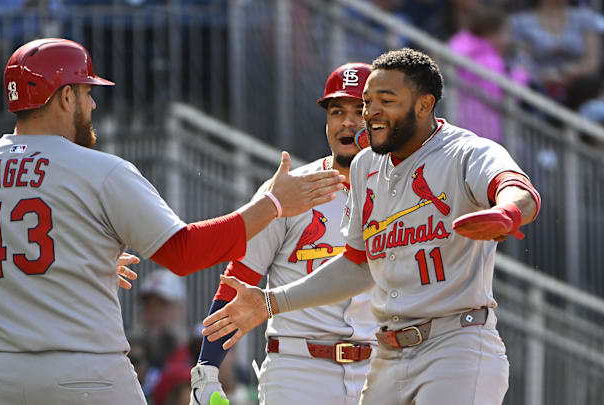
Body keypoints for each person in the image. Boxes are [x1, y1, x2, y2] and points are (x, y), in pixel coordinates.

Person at [0, 38, 344, 405]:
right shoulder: (99, 170)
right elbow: (184, 253)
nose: (93, 105)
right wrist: (272, 205)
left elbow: (6, 254)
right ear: (65, 96)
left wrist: (82, 259)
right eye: (87, 93)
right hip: (85, 375)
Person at [201, 48, 541, 405]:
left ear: (424, 105)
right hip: (373, 357)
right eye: (365, 102)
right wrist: (267, 305)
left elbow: (518, 189)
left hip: (453, 342)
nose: (367, 114)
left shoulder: (465, 152)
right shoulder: (364, 168)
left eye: (385, 100)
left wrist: (508, 213)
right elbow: (356, 265)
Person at [189, 63, 378, 405]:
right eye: (337, 111)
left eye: (359, 111)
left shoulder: (400, 193)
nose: (347, 122)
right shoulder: (290, 190)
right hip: (298, 369)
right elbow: (240, 278)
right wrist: (207, 368)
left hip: (378, 370)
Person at [448, 6, 529, 144]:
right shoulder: (489, 60)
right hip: (487, 131)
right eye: (505, 33)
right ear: (490, 34)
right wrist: (520, 76)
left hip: (464, 124)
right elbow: (499, 95)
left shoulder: (463, 49)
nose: (508, 40)